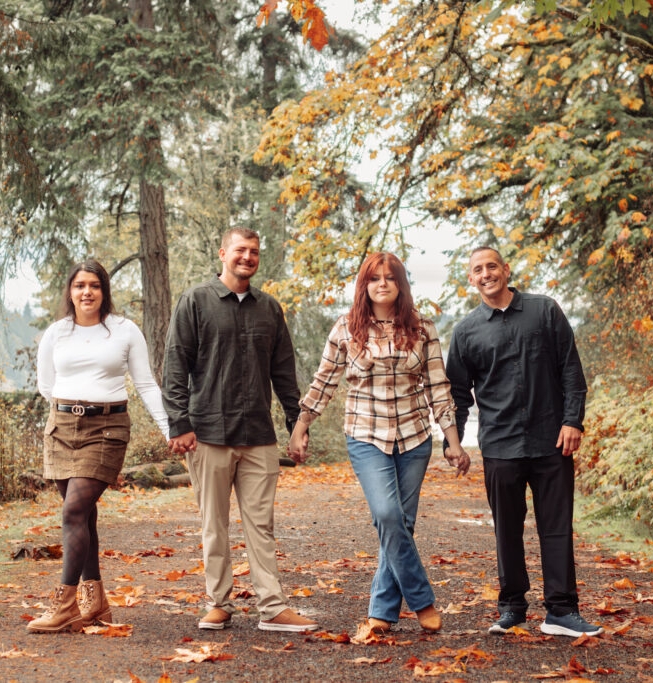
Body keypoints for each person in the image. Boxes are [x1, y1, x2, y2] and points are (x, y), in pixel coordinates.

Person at [288, 252, 471, 635]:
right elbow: (324, 382)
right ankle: (423, 601)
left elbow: (439, 387)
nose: (382, 283)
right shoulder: (346, 328)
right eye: (375, 278)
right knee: (388, 516)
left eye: (390, 277)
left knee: (401, 523)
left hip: (415, 437)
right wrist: (301, 426)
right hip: (365, 435)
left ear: (401, 284)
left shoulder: (423, 328)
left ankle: (382, 613)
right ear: (364, 285)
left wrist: (452, 441)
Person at [162, 228, 318, 633]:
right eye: (240, 250)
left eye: (253, 251)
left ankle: (273, 607)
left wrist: (294, 425)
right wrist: (179, 424)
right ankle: (218, 603)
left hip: (258, 436)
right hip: (208, 433)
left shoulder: (270, 309)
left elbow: (284, 372)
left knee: (261, 524)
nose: (247, 257)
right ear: (223, 254)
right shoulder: (195, 301)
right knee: (214, 523)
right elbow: (175, 365)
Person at [444, 246, 601, 638]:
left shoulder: (544, 311)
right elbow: (458, 394)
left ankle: (562, 611)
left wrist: (572, 421)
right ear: (471, 279)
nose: (486, 274)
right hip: (499, 446)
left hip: (552, 442)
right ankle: (512, 607)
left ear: (506, 269)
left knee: (556, 528)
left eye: (491, 266)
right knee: (506, 531)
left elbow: (570, 369)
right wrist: (455, 442)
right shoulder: (465, 332)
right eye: (477, 269)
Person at [31, 259, 170, 633]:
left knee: (74, 510)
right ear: (70, 292)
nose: (87, 292)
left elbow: (145, 385)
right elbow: (46, 384)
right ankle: (96, 603)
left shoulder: (124, 331)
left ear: (104, 291)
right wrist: (70, 404)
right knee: (83, 514)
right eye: (79, 286)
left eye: (94, 285)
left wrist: (170, 430)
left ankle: (64, 605)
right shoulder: (56, 333)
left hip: (107, 428)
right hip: (61, 427)